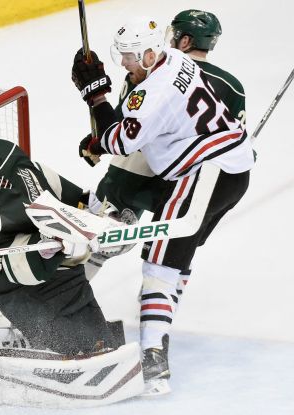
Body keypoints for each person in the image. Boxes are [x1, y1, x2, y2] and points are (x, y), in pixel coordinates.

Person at [70, 14, 254, 394]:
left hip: (204, 173)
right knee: (175, 254)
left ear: (155, 52)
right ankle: (159, 314)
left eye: (129, 56)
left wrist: (95, 93)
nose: (124, 63)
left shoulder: (150, 92)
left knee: (156, 258)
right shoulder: (178, 61)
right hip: (233, 169)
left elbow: (121, 142)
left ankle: (154, 358)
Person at [0, 139, 147, 408]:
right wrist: (59, 245)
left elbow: (52, 184)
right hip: (16, 286)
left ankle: (36, 342)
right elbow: (21, 268)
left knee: (101, 342)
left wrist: (100, 213)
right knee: (72, 346)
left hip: (59, 270)